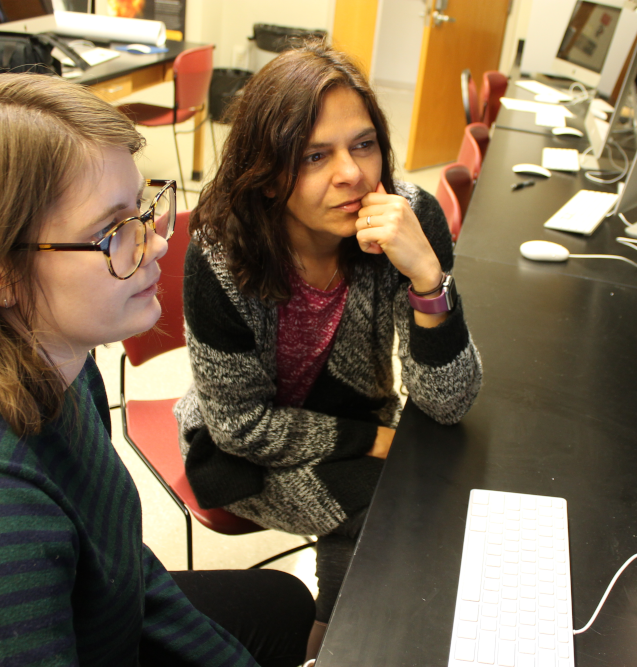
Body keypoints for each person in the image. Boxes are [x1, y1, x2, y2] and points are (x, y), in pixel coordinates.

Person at [0, 73, 315, 667]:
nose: (155, 246)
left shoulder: (60, 364)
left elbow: (120, 567)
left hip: (97, 626)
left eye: (143, 208)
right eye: (113, 231)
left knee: (283, 603)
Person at [174, 42, 483, 657]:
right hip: (242, 452)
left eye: (363, 145)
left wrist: (427, 277)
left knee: (414, 497)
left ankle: (330, 635)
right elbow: (237, 427)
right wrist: (367, 441)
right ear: (266, 170)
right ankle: (333, 644)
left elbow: (448, 403)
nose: (352, 174)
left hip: (352, 426)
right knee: (389, 506)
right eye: (316, 155)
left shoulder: (403, 221)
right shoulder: (221, 254)